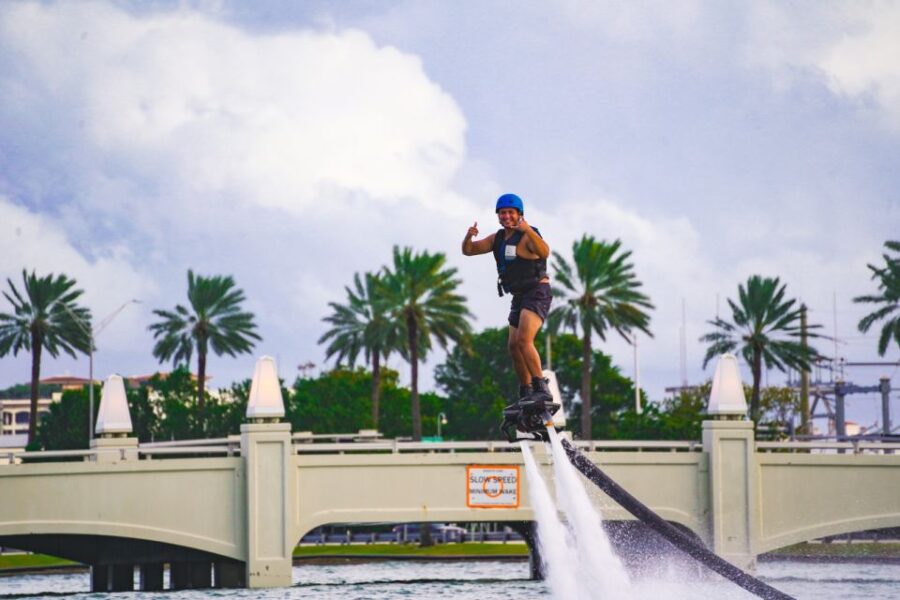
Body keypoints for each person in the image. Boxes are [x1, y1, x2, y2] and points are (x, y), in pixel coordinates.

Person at [461, 193, 553, 404]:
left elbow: (545, 252)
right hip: (519, 296)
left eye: (511, 212)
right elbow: (469, 251)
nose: (507, 216)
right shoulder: (498, 238)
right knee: (513, 345)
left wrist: (527, 229)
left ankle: (542, 387)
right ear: (498, 216)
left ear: (519, 214)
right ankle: (526, 390)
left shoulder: (529, 235)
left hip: (537, 292)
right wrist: (469, 237)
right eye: (503, 213)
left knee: (524, 340)